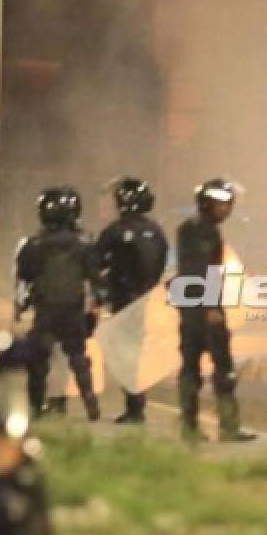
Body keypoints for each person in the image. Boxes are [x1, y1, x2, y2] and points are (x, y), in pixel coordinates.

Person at [176, 177, 255, 442]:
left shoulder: (190, 228)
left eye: (228, 204)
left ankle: (189, 428)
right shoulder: (204, 232)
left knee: (190, 369)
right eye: (221, 204)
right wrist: (211, 306)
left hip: (190, 308)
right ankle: (228, 427)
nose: (226, 209)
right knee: (223, 369)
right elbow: (204, 270)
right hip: (203, 310)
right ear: (207, 203)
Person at [15, 186, 102, 421]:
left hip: (46, 308)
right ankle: (90, 400)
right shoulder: (84, 243)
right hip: (73, 307)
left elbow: (24, 277)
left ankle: (35, 406)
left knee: (39, 359)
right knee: (78, 356)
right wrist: (97, 306)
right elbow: (95, 278)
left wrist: (20, 308)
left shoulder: (34, 245)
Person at [96, 176, 169, 424]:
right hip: (147, 300)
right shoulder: (156, 231)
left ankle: (134, 408)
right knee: (138, 352)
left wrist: (103, 289)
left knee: (125, 354)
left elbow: (95, 263)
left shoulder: (115, 231)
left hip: (124, 300)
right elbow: (160, 264)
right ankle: (137, 405)